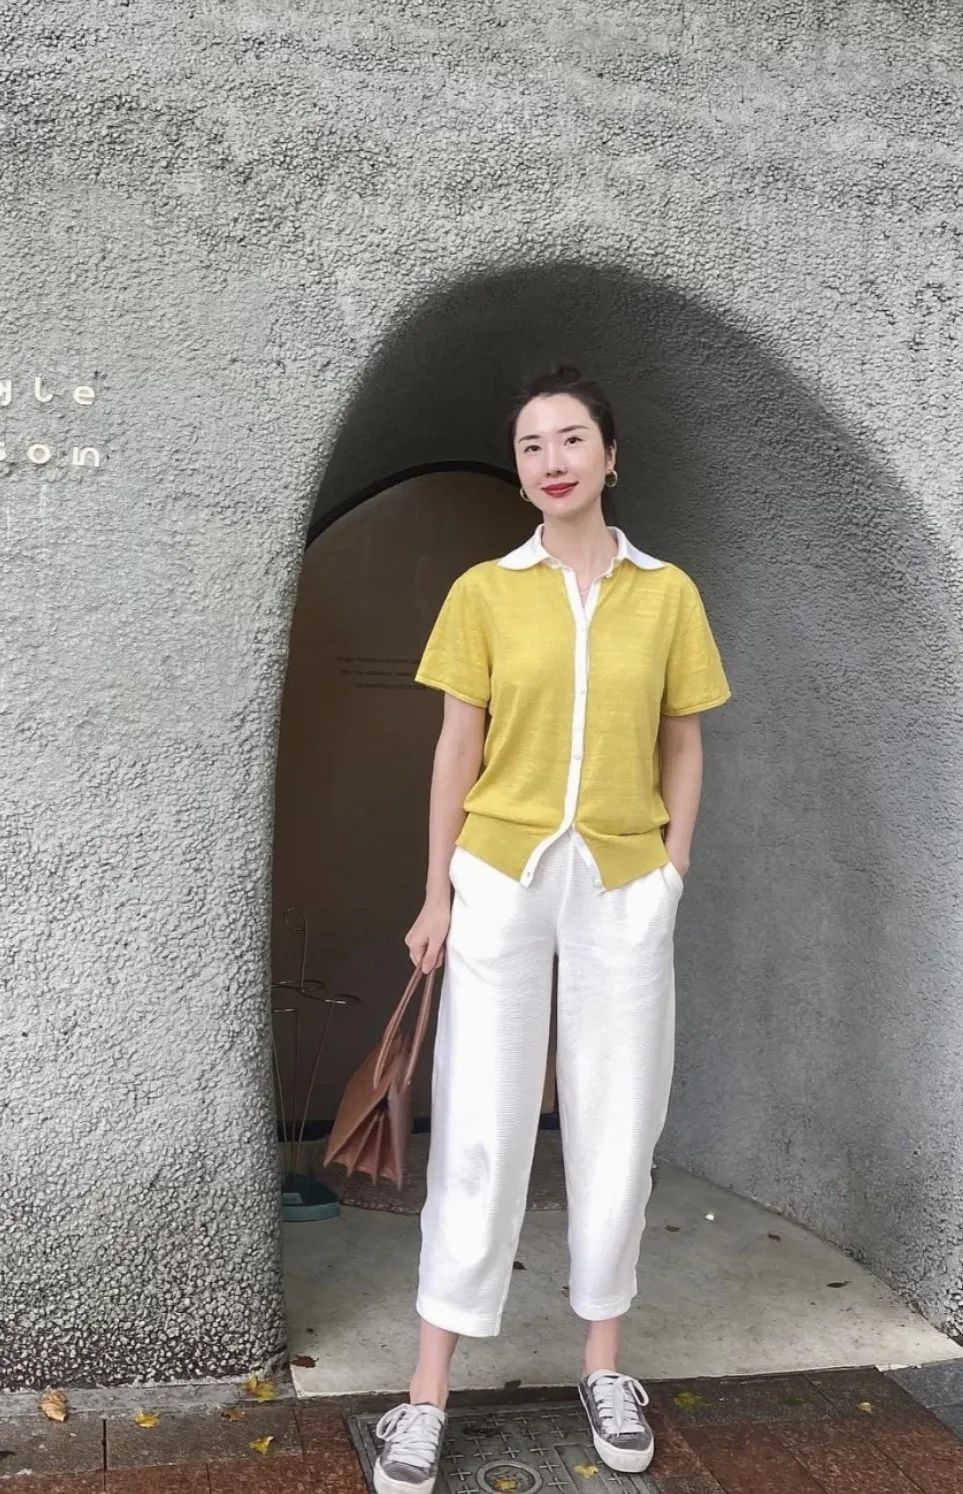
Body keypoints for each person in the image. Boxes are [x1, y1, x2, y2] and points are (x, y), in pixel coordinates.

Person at [372, 364, 731, 1494]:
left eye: (571, 439)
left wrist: (672, 867)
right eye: (530, 445)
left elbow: (684, 737)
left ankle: (603, 1366)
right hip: (501, 873)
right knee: (479, 1122)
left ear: (610, 456)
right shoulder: (486, 591)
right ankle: (427, 1392)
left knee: (620, 1115)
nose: (552, 460)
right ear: (520, 471)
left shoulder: (667, 594)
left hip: (623, 875)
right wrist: (437, 892)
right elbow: (455, 748)